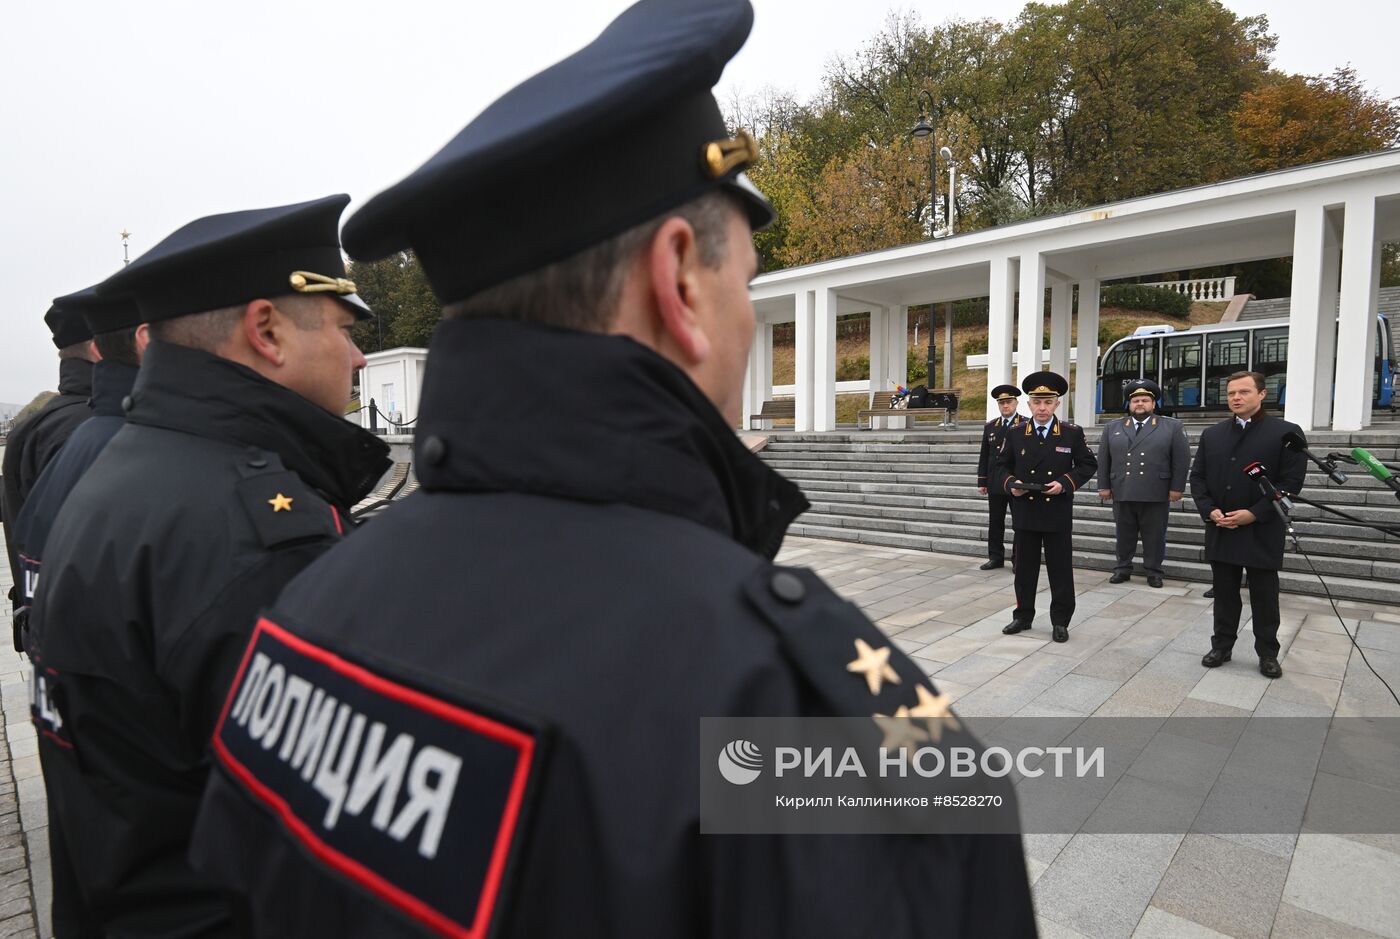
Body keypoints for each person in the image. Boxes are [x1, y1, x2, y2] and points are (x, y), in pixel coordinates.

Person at [188, 1, 1036, 936]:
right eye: (745, 284)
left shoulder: (311, 607)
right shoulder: (782, 704)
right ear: (679, 280)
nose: (748, 322)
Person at [29, 194, 391, 937]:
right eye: (344, 326)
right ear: (266, 331)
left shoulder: (126, 469)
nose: (358, 356)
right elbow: (325, 852)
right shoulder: (257, 539)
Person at [1188, 370, 1305, 678]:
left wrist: (1254, 513)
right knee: (1224, 594)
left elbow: (1291, 483)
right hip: (1221, 526)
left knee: (1264, 596)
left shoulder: (1286, 433)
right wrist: (1210, 510)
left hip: (1261, 529)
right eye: (1231, 394)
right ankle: (1222, 645)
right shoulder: (1213, 434)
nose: (1236, 398)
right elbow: (1197, 478)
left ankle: (1267, 653)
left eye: (1243, 392)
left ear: (1262, 394)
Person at [2, 301, 95, 643]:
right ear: (99, 347)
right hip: (83, 640)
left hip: (44, 622)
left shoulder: (35, 426)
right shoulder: (86, 427)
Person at [995, 371, 1097, 642]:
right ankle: (1022, 616)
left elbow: (1088, 464)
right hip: (1025, 511)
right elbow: (1000, 466)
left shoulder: (1071, 434)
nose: (1042, 408)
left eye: (1048, 402)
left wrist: (1065, 482)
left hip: (1057, 512)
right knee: (1025, 570)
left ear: (1057, 404)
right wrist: (1011, 483)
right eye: (1037, 402)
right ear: (1028, 404)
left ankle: (1060, 621)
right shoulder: (1016, 433)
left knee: (1060, 570)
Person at [1096, 378, 1190, 588]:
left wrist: (1177, 488)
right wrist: (1103, 485)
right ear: (1129, 404)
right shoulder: (1113, 427)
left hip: (1155, 491)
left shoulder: (1171, 426)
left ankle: (1154, 571)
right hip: (1123, 489)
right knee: (1124, 533)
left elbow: (1181, 460)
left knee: (1155, 535)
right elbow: (1104, 459)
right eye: (1136, 400)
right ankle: (1122, 568)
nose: (1140, 404)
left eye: (1145, 400)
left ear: (1153, 404)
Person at [976, 384, 1024, 570]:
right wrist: (982, 481)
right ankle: (995, 557)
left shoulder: (1024, 424)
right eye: (1002, 403)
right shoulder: (991, 427)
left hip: (1016, 482)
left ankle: (1017, 559)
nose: (1005, 406)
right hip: (996, 482)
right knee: (995, 522)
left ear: (1016, 403)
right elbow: (985, 455)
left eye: (1009, 402)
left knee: (1019, 523)